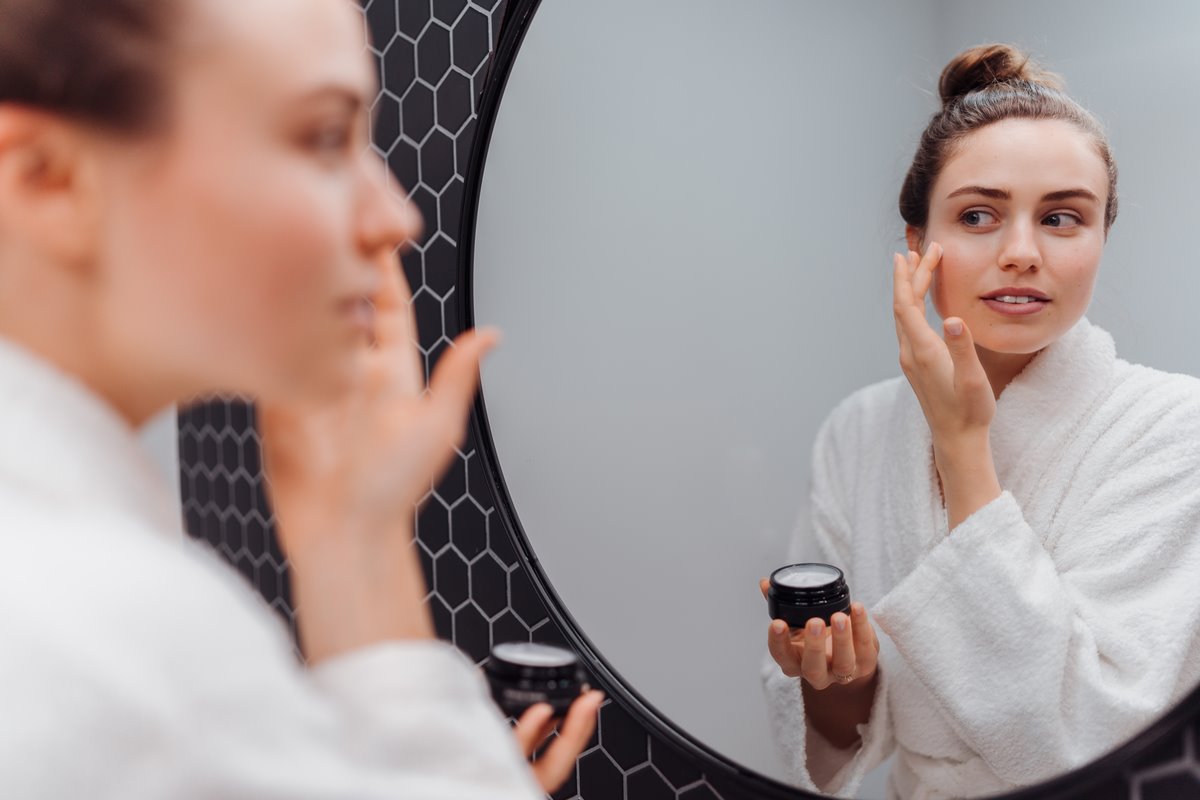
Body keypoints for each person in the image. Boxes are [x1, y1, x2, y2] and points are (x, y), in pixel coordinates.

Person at [0, 0, 602, 797]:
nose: (397, 216)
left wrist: (352, 528)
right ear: (52, 180)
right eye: (324, 136)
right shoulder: (128, 647)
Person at [760, 43, 1200, 799]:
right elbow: (841, 730)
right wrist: (841, 682)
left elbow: (1093, 743)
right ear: (917, 245)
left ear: (1100, 240)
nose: (1022, 253)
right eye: (977, 215)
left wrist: (964, 447)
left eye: (1063, 218)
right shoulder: (858, 431)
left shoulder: (1176, 427)